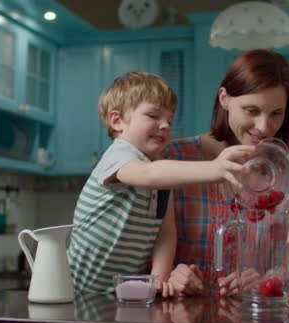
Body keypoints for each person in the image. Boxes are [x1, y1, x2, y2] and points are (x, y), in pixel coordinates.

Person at [67, 71, 255, 296]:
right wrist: (214, 168)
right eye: (154, 116)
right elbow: (148, 174)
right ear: (117, 121)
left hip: (118, 293)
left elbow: (166, 234)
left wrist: (158, 279)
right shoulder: (119, 154)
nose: (165, 125)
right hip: (74, 288)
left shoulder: (160, 171)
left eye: (169, 119)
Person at [164, 49, 289, 296]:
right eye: (251, 111)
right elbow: (141, 248)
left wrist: (266, 283)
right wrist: (170, 275)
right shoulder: (174, 159)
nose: (264, 127)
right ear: (224, 98)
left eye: (276, 113)